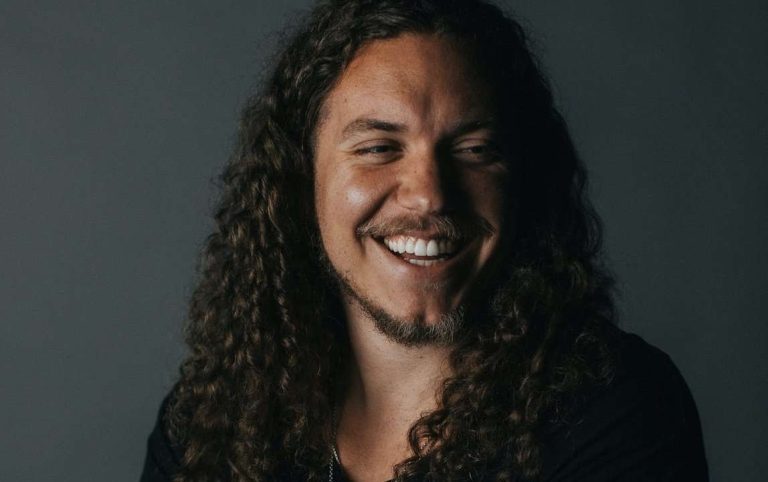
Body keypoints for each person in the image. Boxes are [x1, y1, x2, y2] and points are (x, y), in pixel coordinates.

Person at [141, 0, 708, 480]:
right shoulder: (214, 420)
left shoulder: (615, 411)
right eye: (378, 148)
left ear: (522, 178)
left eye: (473, 150)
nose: (430, 196)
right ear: (300, 180)